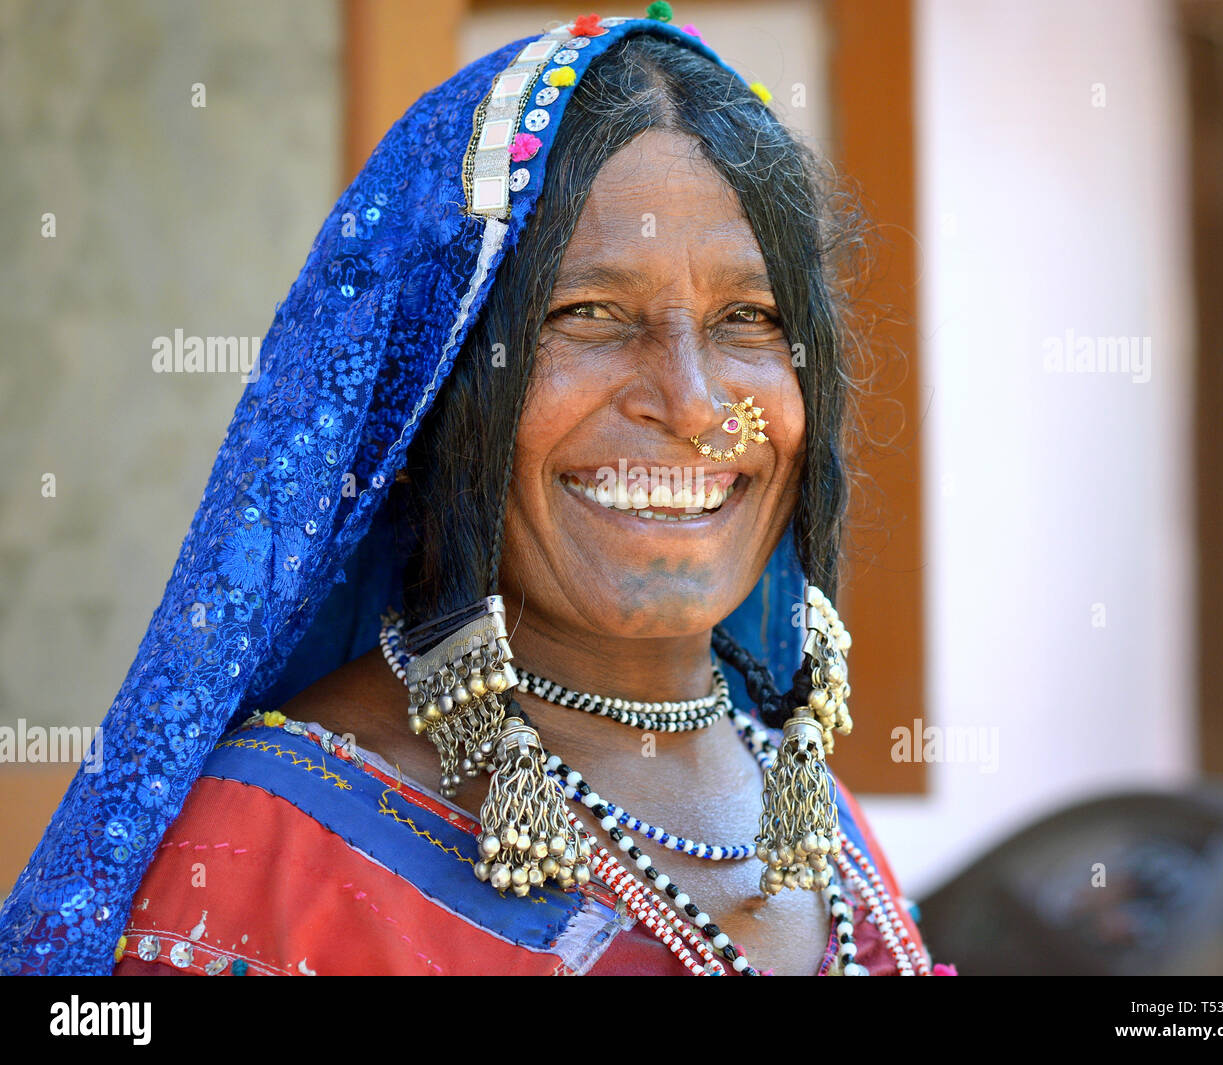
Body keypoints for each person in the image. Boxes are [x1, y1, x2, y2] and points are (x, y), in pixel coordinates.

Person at [1, 11, 949, 976]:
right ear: (435, 383)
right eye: (590, 314)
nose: (693, 404)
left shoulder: (814, 817)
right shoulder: (271, 861)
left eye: (748, 317)